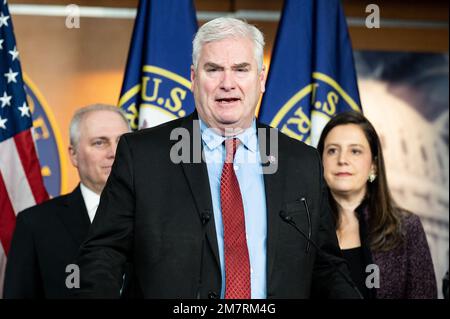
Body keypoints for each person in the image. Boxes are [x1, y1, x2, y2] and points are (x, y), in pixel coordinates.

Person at [74, 17, 360, 299]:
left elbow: (327, 267)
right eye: (213, 69)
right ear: (193, 78)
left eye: (240, 69)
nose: (228, 83)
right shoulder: (142, 155)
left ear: (261, 79)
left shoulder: (301, 161)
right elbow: (104, 254)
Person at [3, 104, 130, 298]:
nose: (114, 152)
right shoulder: (35, 224)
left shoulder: (160, 216)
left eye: (122, 142)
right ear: (73, 155)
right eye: (99, 142)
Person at [317, 111, 437, 299]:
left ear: (373, 165)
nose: (342, 160)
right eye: (332, 150)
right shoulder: (305, 229)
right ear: (320, 161)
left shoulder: (406, 228)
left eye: (355, 151)